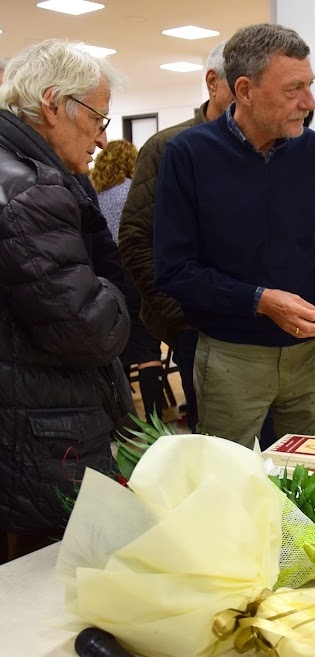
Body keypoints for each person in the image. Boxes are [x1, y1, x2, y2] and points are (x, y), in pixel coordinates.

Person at [154, 23, 315, 447]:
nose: (310, 102)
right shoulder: (189, 155)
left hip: (312, 354)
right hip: (231, 356)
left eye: (309, 85)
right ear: (246, 90)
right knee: (226, 486)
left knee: (310, 484)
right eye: (294, 89)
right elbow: (174, 271)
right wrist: (260, 301)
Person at [0, 40, 133, 561]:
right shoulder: (31, 192)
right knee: (52, 590)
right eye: (98, 117)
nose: (103, 137)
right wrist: (115, 291)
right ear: (53, 104)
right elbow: (90, 329)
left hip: (24, 414)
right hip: (40, 431)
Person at [118, 42, 233, 432]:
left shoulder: (269, 151)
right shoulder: (167, 148)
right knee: (213, 437)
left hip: (258, 326)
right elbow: (135, 238)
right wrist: (181, 315)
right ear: (214, 83)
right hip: (197, 328)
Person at [92, 139, 166, 421]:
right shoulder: (133, 193)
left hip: (106, 280)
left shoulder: (95, 196)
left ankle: (124, 425)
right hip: (136, 274)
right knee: (148, 351)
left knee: (117, 349)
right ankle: (157, 421)